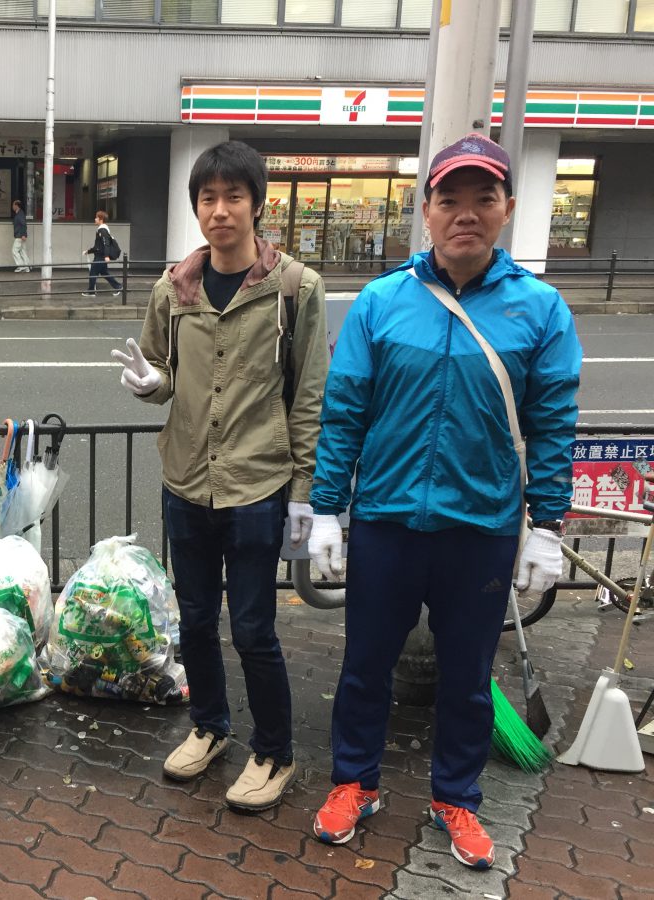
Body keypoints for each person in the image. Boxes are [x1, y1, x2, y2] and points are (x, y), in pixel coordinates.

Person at [308, 134, 581, 870]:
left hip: (481, 528)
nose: (466, 213)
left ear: (507, 209)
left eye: (482, 198)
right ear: (424, 211)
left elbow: (553, 422)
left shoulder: (540, 310)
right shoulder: (381, 302)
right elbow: (345, 411)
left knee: (467, 678)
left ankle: (456, 797)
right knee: (365, 666)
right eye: (449, 199)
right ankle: (354, 783)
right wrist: (327, 509)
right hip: (387, 523)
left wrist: (548, 525)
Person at [110, 141, 329, 811]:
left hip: (258, 487)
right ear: (197, 208)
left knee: (255, 628)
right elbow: (160, 371)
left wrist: (305, 496)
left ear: (257, 205)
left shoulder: (295, 288)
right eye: (208, 198)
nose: (221, 210)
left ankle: (274, 751)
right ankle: (209, 725)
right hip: (186, 482)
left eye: (235, 196)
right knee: (197, 619)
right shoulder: (172, 289)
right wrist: (150, 384)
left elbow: (309, 397)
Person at [81, 210, 123, 296]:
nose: (95, 219)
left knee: (93, 273)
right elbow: (97, 246)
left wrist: (106, 256)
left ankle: (91, 291)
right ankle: (118, 286)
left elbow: (106, 244)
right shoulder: (102, 229)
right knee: (104, 273)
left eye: (96, 217)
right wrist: (88, 251)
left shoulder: (102, 230)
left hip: (100, 256)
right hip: (101, 255)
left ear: (101, 219)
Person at [11, 199, 31, 272]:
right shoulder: (20, 213)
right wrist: (24, 235)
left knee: (14, 251)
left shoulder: (20, 214)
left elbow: (23, 224)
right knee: (22, 251)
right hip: (21, 235)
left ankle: (21, 266)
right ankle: (27, 267)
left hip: (19, 236)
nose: (12, 206)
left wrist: (23, 234)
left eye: (13, 205)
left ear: (16, 205)